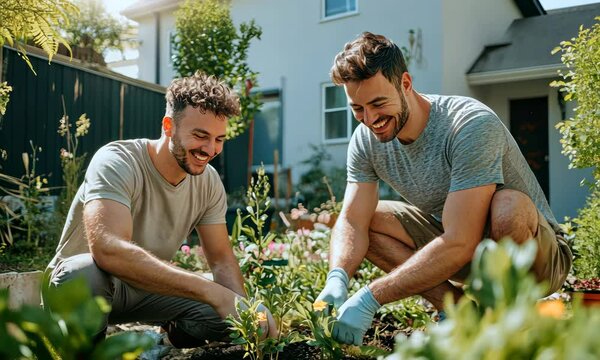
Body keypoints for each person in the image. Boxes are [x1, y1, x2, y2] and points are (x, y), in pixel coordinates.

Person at [316, 32, 573, 345]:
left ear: (406, 84)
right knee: (368, 219)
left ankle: (508, 319)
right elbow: (353, 220)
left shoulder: (469, 125)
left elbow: (460, 241)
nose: (370, 119)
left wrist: (371, 297)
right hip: (462, 249)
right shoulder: (366, 141)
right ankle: (462, 313)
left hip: (537, 259)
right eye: (357, 109)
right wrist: (337, 277)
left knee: (507, 206)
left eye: (378, 103)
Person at [45, 72, 277, 347]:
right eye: (200, 135)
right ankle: (90, 352)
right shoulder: (118, 161)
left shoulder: (209, 181)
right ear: (169, 126)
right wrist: (212, 293)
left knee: (225, 314)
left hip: (148, 289)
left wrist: (246, 312)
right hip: (86, 286)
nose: (210, 149)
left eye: (219, 139)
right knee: (82, 273)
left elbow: (221, 260)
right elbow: (108, 250)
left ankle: (168, 340)